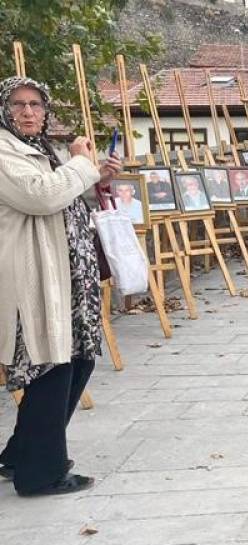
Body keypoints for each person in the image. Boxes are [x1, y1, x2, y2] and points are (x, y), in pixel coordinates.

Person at [0, 76, 121, 496]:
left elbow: (65, 200)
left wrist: (96, 177)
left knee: (78, 359)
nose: (28, 112)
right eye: (17, 105)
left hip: (66, 278)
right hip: (34, 277)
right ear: (4, 110)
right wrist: (79, 164)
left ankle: (21, 455)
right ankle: (41, 473)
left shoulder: (37, 149)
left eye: (35, 103)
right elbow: (40, 196)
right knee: (53, 365)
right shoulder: (3, 150)